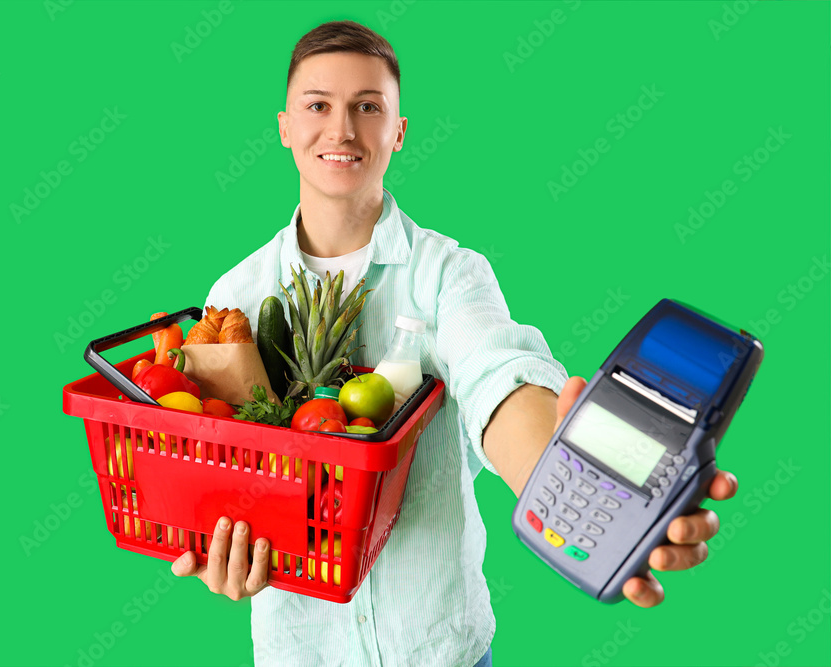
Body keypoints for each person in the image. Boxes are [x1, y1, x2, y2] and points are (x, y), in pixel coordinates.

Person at [171, 20, 738, 666]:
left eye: (368, 107)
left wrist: (575, 478)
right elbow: (218, 470)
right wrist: (221, 549)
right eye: (318, 106)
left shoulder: (447, 274)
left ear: (399, 131)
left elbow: (496, 373)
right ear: (283, 126)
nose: (342, 129)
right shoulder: (237, 295)